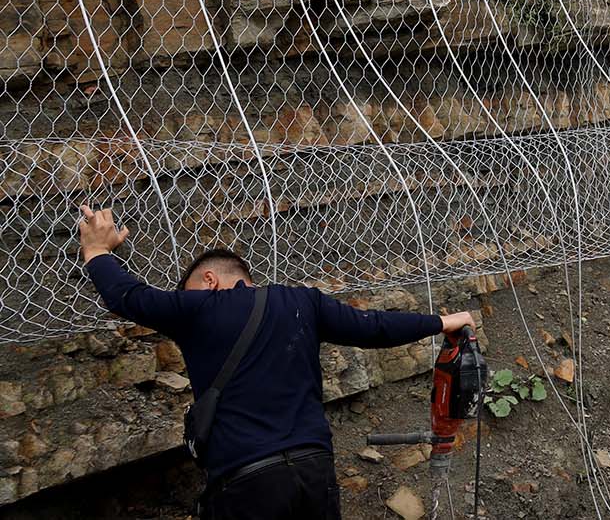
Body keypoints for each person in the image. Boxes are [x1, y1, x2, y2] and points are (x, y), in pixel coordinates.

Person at [79, 204, 475, 520]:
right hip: (314, 469)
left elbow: (127, 296)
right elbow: (373, 327)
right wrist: (441, 321)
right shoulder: (302, 301)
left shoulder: (198, 307)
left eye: (192, 290)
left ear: (211, 281)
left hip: (246, 480)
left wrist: (96, 249)